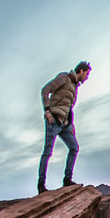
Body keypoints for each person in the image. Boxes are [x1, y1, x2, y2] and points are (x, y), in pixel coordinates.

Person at [37, 60, 92, 194]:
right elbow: (45, 90)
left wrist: (71, 123)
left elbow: (69, 107)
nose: (87, 77)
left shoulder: (74, 87)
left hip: (65, 124)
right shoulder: (64, 78)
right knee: (48, 152)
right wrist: (47, 111)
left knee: (74, 148)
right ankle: (41, 185)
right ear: (81, 71)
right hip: (53, 120)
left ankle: (67, 179)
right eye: (87, 74)